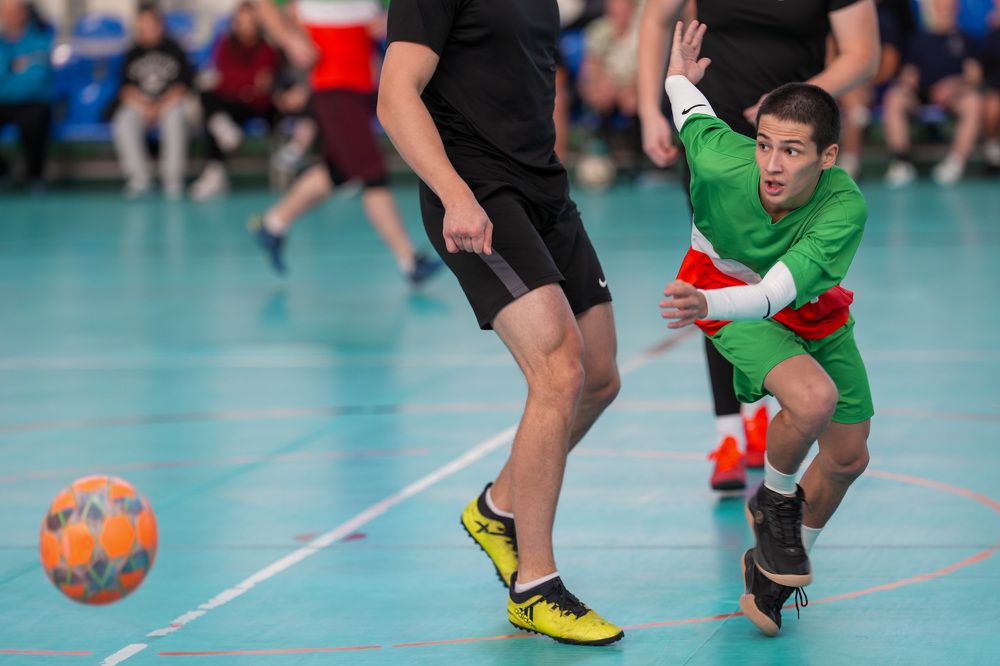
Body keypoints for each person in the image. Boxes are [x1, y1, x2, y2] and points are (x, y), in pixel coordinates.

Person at [378, 0, 623, 646]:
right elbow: (395, 96)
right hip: (477, 191)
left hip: (545, 190)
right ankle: (535, 587)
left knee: (599, 376)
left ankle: (498, 508)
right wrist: (455, 194)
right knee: (559, 369)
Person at [660, 20, 873, 636]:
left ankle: (771, 568)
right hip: (722, 290)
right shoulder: (722, 161)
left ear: (827, 158)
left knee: (848, 457)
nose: (772, 165)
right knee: (813, 399)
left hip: (795, 303)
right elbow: (690, 110)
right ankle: (774, 502)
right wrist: (678, 75)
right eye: (764, 145)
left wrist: (705, 306)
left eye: (792, 151)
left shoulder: (843, 206)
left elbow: (775, 293)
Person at [637, 0, 878, 492]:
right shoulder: (715, 157)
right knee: (723, 271)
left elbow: (862, 54)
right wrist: (650, 109)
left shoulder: (835, 189)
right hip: (721, 133)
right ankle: (730, 432)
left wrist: (792, 103)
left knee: (788, 280)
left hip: (796, 129)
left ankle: (763, 417)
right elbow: (658, 20)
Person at [246, 0, 441, 285]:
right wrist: (290, 39)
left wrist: (389, 19)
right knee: (372, 173)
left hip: (361, 83)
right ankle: (409, 260)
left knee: (339, 170)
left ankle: (273, 223)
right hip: (335, 85)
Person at [882, 0, 982, 187]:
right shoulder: (917, 40)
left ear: (956, 9)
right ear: (932, 9)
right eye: (940, 6)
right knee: (894, 97)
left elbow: (974, 76)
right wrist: (908, 80)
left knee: (973, 101)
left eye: (948, 6)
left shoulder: (966, 40)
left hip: (953, 98)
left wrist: (952, 86)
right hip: (919, 96)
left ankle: (955, 163)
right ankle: (901, 162)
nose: (944, 10)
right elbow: (908, 71)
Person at [189, 1, 280, 201]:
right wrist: (244, 83)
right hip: (231, 103)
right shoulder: (224, 44)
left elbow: (258, 88)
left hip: (256, 105)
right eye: (241, 21)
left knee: (213, 119)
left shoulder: (267, 49)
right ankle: (222, 142)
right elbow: (222, 77)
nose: (244, 26)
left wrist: (238, 84)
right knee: (206, 97)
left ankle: (215, 170)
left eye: (249, 22)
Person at [109, 2, 194, 199]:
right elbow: (125, 89)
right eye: (142, 24)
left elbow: (184, 86)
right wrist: (145, 106)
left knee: (176, 117)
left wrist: (160, 106)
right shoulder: (132, 52)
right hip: (141, 104)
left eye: (150, 23)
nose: (146, 28)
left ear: (160, 24)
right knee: (123, 120)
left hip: (170, 102)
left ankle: (173, 178)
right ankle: (139, 179)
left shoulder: (175, 49)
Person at [0, 0, 54, 190]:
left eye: (15, 11)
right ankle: (3, 172)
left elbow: (36, 77)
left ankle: (34, 175)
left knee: (34, 120)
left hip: (34, 101)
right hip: (3, 101)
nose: (11, 16)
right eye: (6, 11)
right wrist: (13, 68)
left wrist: (10, 71)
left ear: (24, 13)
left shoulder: (41, 36)